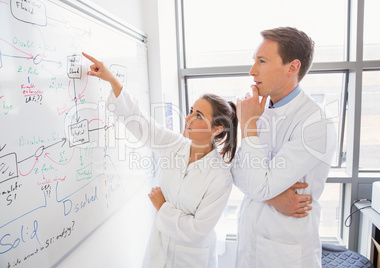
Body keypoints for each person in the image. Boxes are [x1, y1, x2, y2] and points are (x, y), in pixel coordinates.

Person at [82, 51, 312, 267]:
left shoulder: (220, 176)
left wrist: (162, 207)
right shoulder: (175, 146)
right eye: (191, 110)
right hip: (158, 251)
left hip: (191, 260)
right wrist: (111, 79)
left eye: (199, 115)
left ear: (216, 129)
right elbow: (140, 124)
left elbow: (197, 230)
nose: (189, 118)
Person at [232, 27, 337, 268]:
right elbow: (237, 173)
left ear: (292, 67)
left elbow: (259, 184)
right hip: (250, 242)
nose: (252, 71)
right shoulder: (260, 110)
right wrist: (272, 197)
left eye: (262, 61)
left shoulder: (315, 123)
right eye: (254, 61)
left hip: (286, 252)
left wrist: (248, 126)